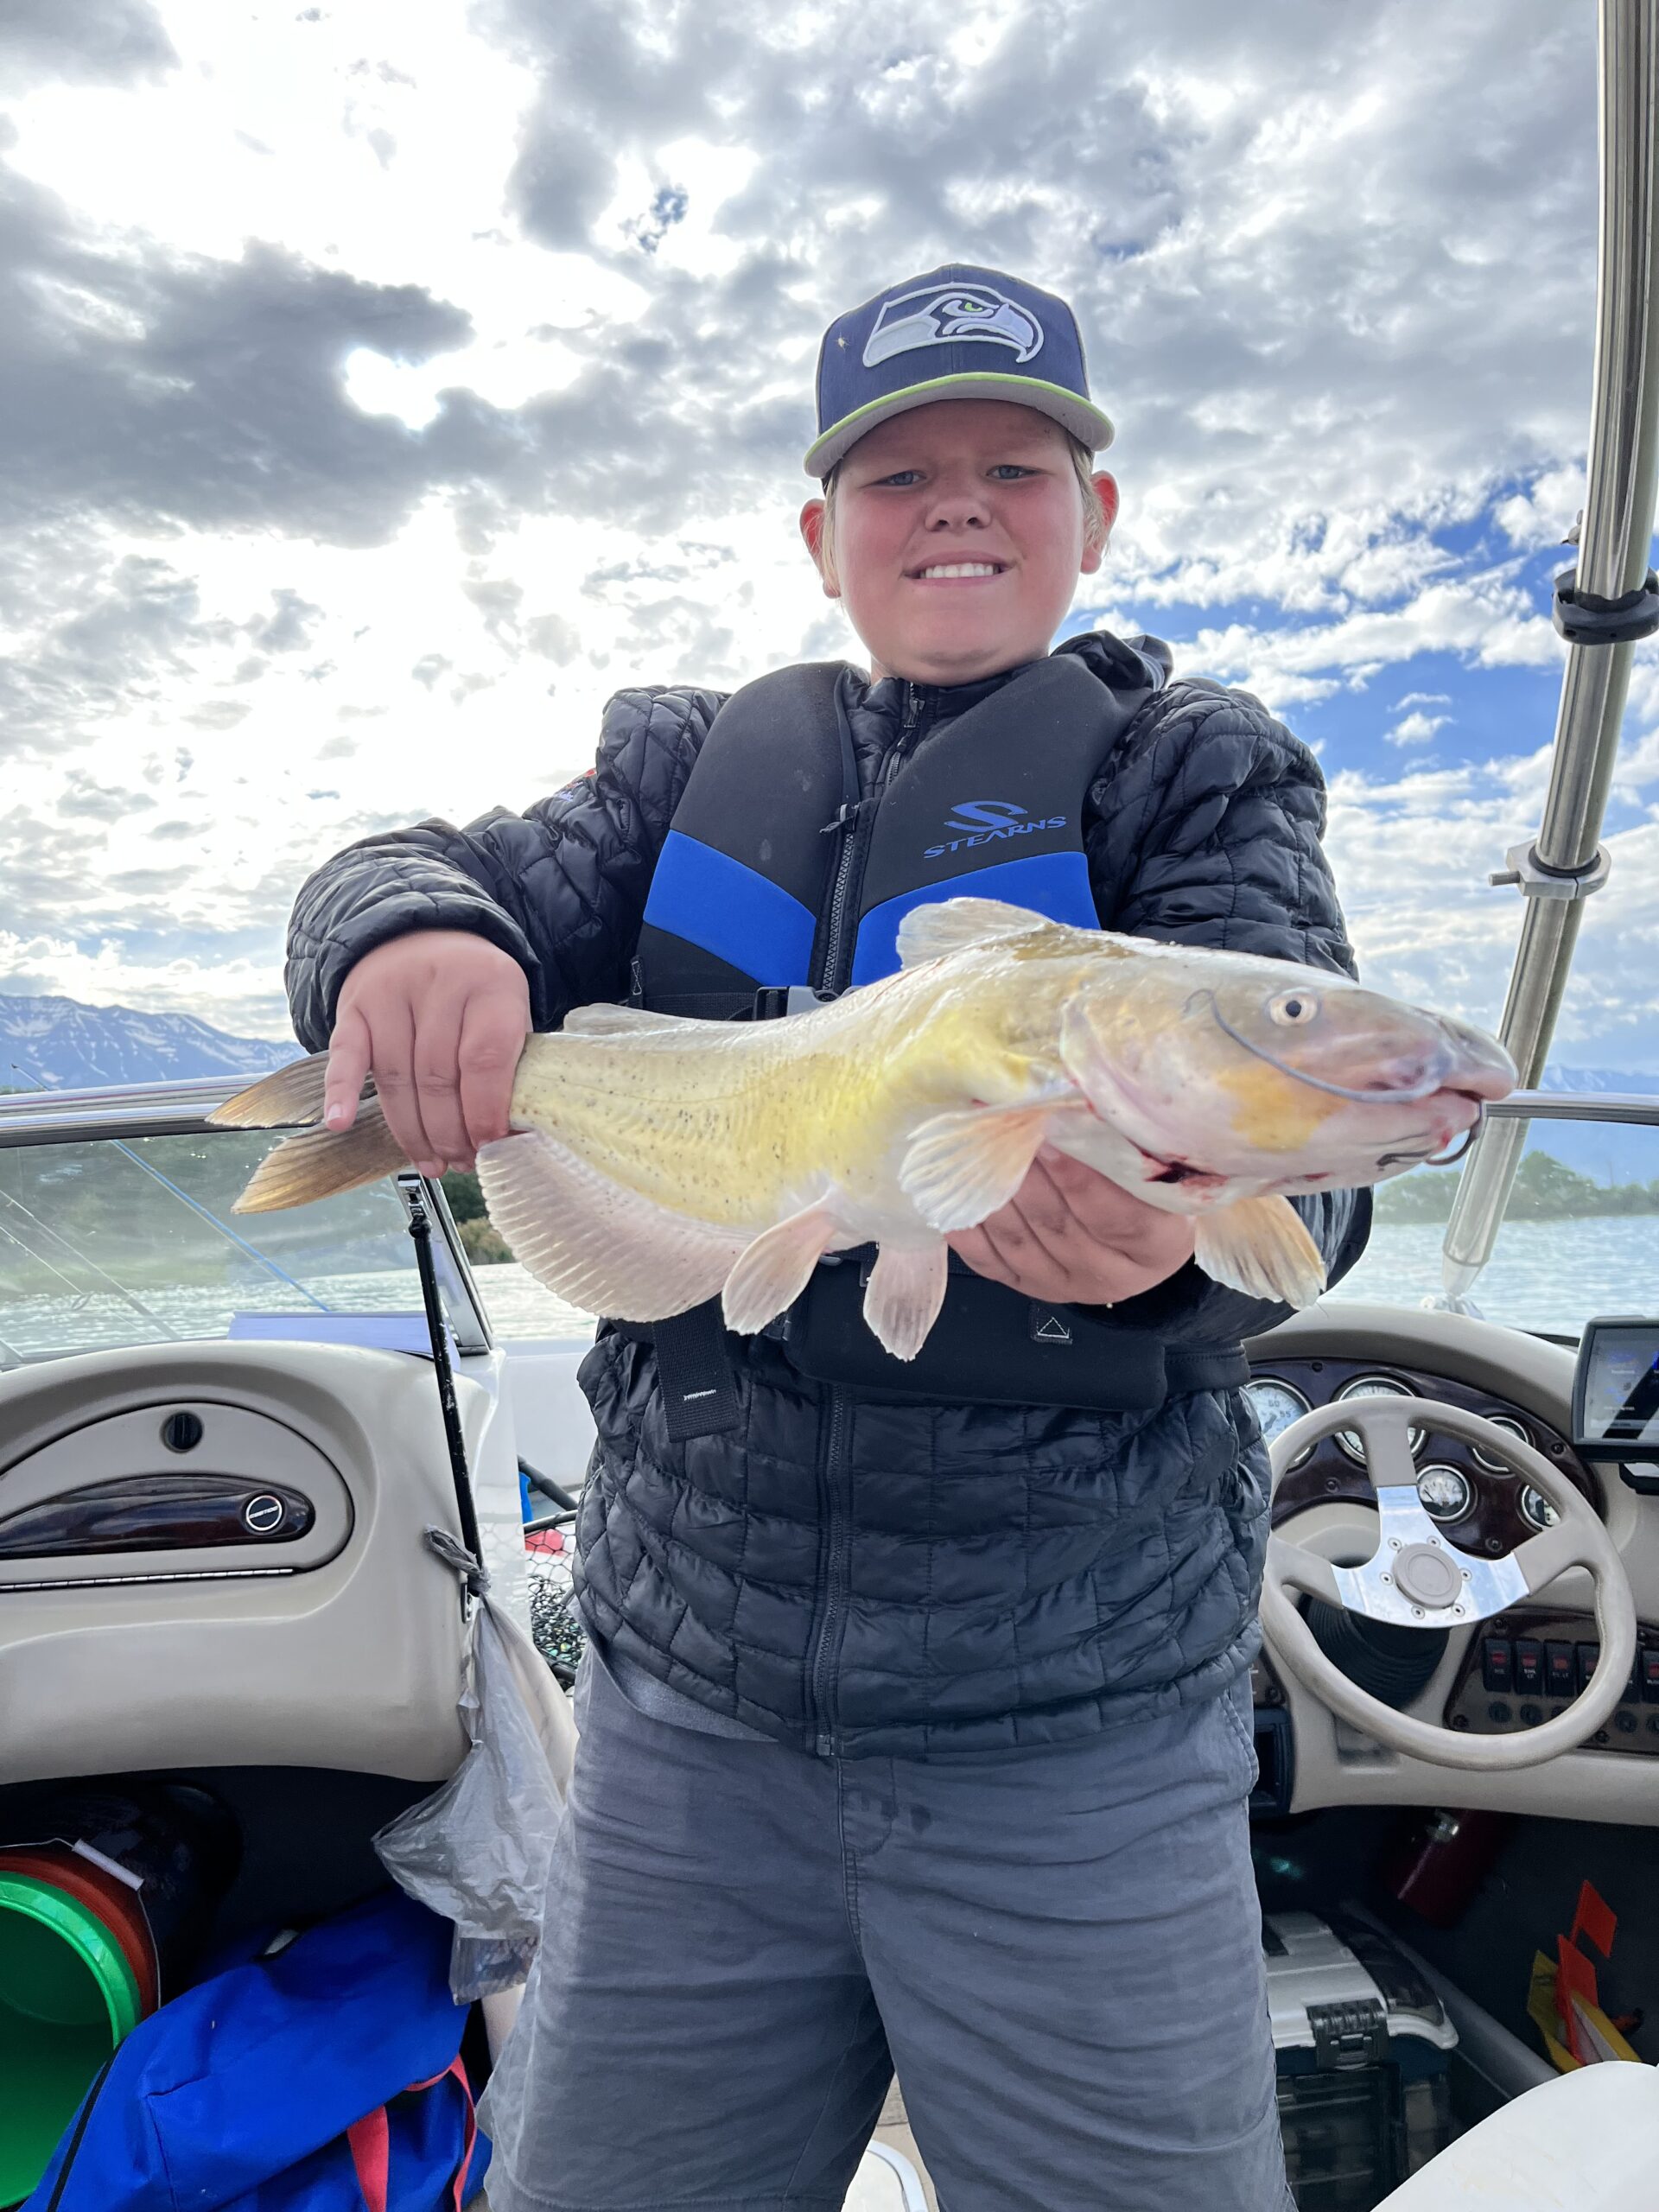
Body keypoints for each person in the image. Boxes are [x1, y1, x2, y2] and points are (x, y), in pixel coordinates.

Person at [285, 264, 1370, 2212]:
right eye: (898, 475)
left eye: (1015, 468)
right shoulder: (676, 768)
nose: (958, 506)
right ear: (821, 535)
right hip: (687, 1719)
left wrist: (1168, 1258)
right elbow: (405, 865)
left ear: (1096, 513)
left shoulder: (1191, 771)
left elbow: (1319, 1143)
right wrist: (405, 936)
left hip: (1082, 1737)